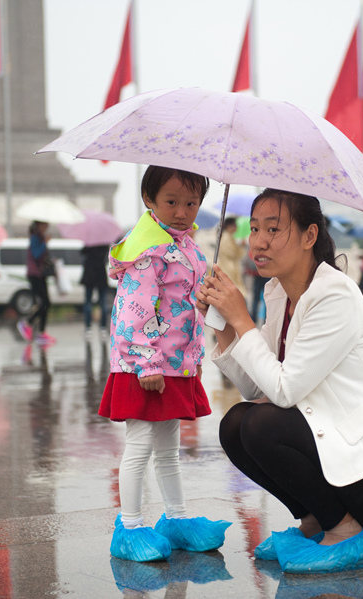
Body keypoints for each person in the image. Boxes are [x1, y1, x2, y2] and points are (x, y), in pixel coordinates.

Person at [199, 189, 363, 573]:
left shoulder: (334, 294)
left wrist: (242, 320)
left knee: (260, 425)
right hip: (341, 452)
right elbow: (258, 388)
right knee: (236, 425)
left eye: (273, 229)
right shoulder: (279, 293)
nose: (259, 241)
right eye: (255, 228)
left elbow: (284, 391)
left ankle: (346, 532)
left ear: (309, 236)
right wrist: (224, 328)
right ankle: (317, 521)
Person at [99, 165, 229, 563]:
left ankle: (175, 519)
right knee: (139, 447)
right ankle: (131, 525)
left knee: (168, 450)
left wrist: (194, 358)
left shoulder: (187, 245)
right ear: (149, 201)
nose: (182, 211)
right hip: (146, 367)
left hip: (175, 365)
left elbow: (185, 311)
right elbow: (133, 312)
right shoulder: (148, 248)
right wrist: (146, 362)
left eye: (191, 202)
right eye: (171, 201)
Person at [18, 221, 55, 345]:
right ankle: (27, 323)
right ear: (39, 226)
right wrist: (45, 243)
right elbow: (36, 254)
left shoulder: (39, 238)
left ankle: (41, 332)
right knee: (44, 303)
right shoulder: (35, 238)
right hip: (35, 275)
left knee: (45, 303)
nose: (46, 228)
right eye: (44, 225)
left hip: (41, 274)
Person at [80, 244, 111, 341]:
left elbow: (82, 252)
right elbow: (106, 257)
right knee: (103, 303)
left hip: (89, 274)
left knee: (88, 302)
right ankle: (103, 328)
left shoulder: (89, 243)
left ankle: (88, 328)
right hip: (100, 274)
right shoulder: (104, 244)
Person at [218, 217, 246, 292]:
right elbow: (232, 253)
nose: (236, 228)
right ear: (229, 226)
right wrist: (240, 246)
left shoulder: (229, 237)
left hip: (231, 267)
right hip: (227, 267)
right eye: (235, 225)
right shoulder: (226, 237)